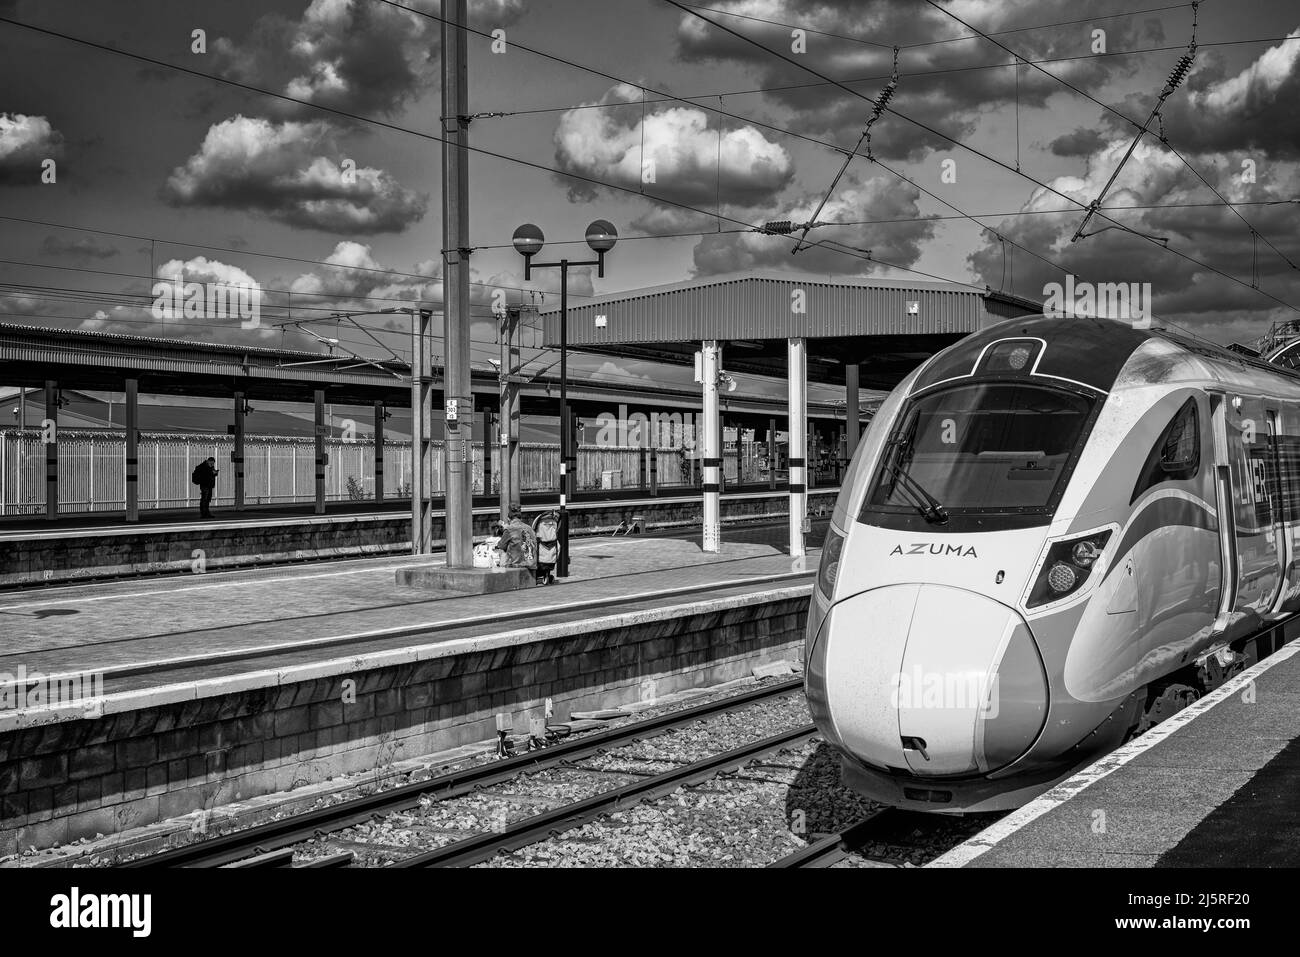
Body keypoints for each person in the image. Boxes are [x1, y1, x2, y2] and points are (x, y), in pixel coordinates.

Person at [494, 503, 537, 575]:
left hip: (516, 566)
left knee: (502, 553)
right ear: (520, 518)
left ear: (508, 519)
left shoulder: (509, 529)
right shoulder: (529, 528)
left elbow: (501, 546)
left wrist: (505, 530)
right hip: (531, 565)